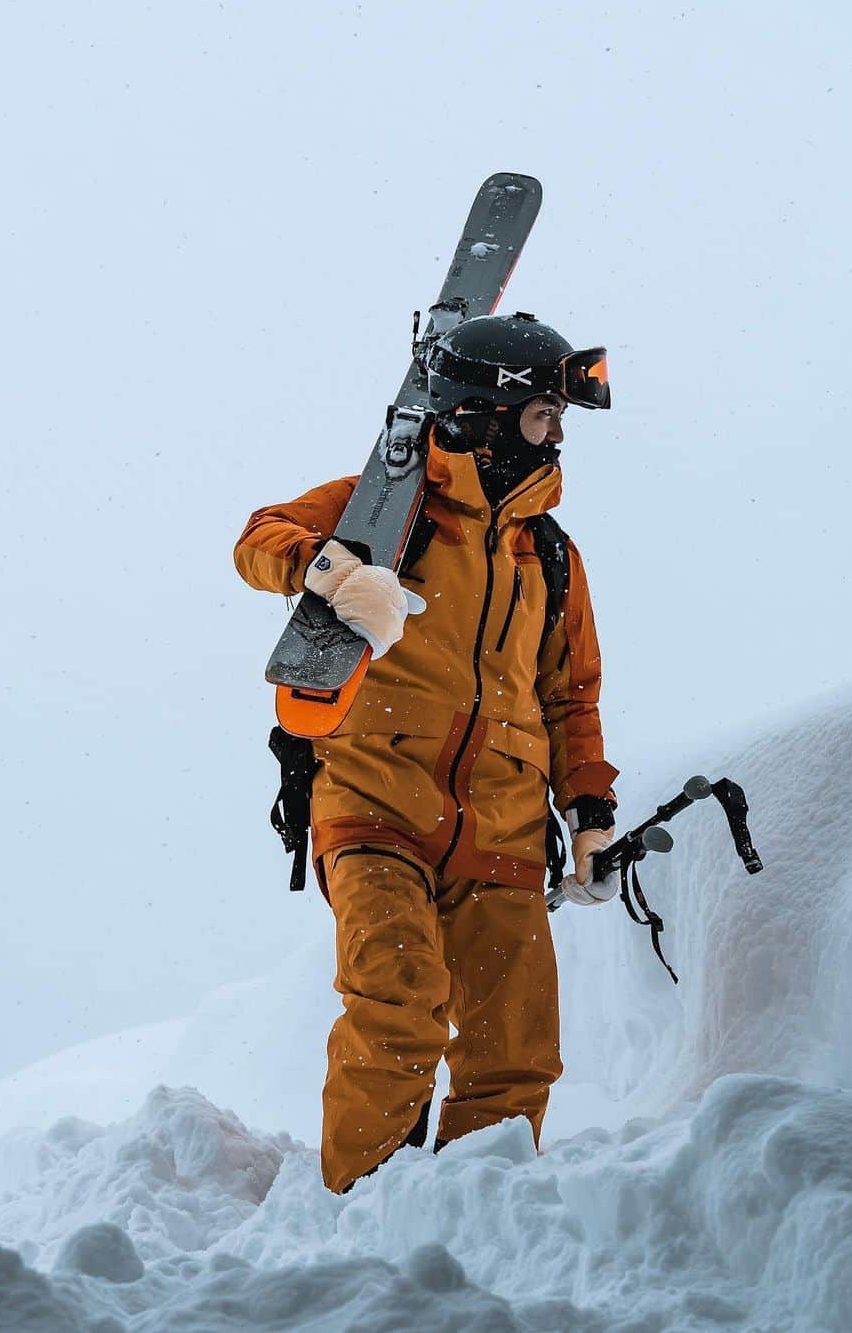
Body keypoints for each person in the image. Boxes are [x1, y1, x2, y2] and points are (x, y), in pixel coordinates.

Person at [234, 313, 619, 1194]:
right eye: (542, 414)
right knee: (397, 1004)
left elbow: (571, 699)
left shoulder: (551, 556)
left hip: (506, 825)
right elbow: (258, 539)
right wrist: (329, 570)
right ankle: (360, 1221)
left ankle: (478, 1224)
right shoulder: (386, 508)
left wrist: (590, 817)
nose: (557, 433)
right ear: (484, 414)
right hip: (374, 803)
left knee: (516, 1047)